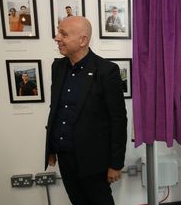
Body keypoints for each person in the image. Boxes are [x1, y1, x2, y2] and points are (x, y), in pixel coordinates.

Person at [45, 16, 127, 205]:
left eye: (63, 34)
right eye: (58, 32)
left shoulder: (106, 71)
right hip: (65, 156)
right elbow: (56, 109)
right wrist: (51, 147)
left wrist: (116, 164)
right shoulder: (58, 67)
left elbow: (118, 119)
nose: (57, 38)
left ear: (83, 40)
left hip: (94, 161)